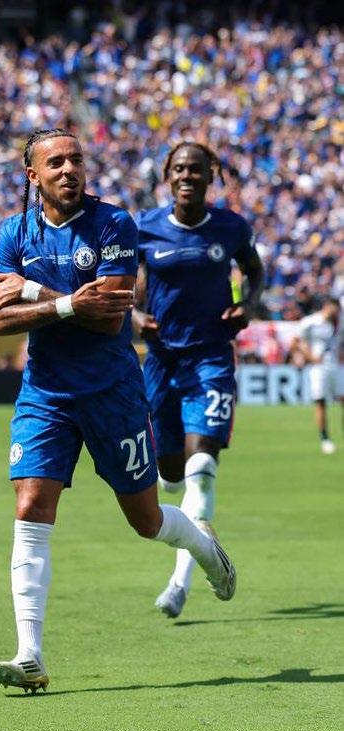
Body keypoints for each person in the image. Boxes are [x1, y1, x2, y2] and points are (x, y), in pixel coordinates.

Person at [0, 128, 237, 694]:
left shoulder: (114, 223)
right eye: (56, 162)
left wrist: (32, 293)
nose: (69, 169)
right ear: (33, 175)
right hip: (45, 393)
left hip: (113, 392)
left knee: (146, 521)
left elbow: (108, 316)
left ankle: (201, 542)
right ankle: (30, 654)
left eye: (76, 159)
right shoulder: (14, 232)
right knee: (30, 503)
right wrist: (69, 302)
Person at [132, 141, 264, 619]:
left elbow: (254, 271)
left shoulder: (231, 227)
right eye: (179, 169)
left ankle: (182, 583)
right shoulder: (143, 227)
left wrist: (248, 306)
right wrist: (133, 316)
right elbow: (119, 282)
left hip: (211, 359)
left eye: (196, 169)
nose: (187, 176)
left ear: (211, 176)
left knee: (202, 465)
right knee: (170, 476)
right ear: (167, 176)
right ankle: (185, 512)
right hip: (162, 362)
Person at [298, 297, 344, 454]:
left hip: (337, 365)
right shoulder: (310, 322)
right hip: (318, 368)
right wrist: (310, 356)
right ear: (327, 306)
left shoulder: (340, 322)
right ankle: (325, 438)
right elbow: (298, 341)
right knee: (320, 401)